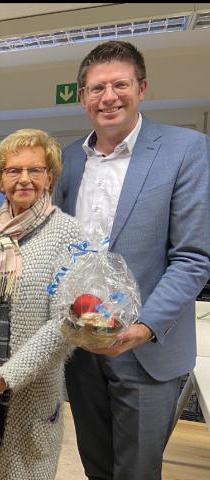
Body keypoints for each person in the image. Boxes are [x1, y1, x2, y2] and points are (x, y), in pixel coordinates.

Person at [55, 40, 210, 480]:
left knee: (138, 472)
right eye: (96, 88)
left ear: (141, 88)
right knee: (96, 467)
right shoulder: (67, 161)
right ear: (82, 96)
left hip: (145, 348)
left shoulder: (186, 150)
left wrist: (142, 329)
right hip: (82, 347)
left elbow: (194, 257)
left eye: (119, 84)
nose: (108, 97)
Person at [0, 129, 83, 480]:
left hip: (28, 391)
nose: (24, 179)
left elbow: (64, 323)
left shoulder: (68, 233)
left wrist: (6, 378)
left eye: (35, 170)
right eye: (13, 170)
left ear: (49, 176)